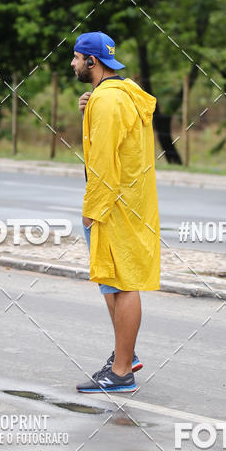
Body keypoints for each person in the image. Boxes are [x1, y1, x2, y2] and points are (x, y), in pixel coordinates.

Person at [70, 31, 160, 393]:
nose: (73, 64)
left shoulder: (107, 103)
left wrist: (91, 210)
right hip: (129, 201)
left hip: (114, 205)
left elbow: (104, 162)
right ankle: (127, 354)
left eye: (77, 58)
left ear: (93, 62)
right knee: (112, 279)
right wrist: (88, 110)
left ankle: (122, 372)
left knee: (122, 284)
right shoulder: (118, 94)